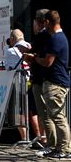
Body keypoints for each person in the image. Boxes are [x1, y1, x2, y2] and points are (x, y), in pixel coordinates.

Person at [24, 10, 71, 159]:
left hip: (56, 83)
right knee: (55, 116)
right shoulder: (58, 38)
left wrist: (35, 59)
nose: (43, 26)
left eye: (45, 23)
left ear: (49, 22)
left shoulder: (56, 39)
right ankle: (58, 147)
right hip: (55, 82)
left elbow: (48, 62)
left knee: (58, 117)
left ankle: (64, 149)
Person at [4, 29, 31, 142]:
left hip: (19, 83)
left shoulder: (11, 51)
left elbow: (8, 69)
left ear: (12, 39)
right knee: (32, 111)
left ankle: (24, 137)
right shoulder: (30, 46)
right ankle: (40, 138)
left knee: (19, 111)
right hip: (31, 81)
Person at [28, 9, 50, 150]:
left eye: (35, 21)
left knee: (44, 113)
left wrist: (31, 57)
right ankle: (44, 139)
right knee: (41, 112)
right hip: (40, 79)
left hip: (41, 80)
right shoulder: (45, 37)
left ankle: (47, 141)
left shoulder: (43, 37)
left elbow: (41, 58)